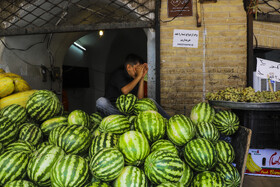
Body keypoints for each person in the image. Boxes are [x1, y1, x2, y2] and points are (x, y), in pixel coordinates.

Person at [96, 54, 170, 119]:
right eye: (136, 69)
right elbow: (125, 91)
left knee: (151, 101)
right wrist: (138, 77)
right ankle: (124, 119)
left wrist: (141, 78)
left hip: (131, 109)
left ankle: (169, 120)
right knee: (101, 102)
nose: (138, 71)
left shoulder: (136, 78)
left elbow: (140, 99)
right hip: (114, 107)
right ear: (128, 67)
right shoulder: (119, 73)